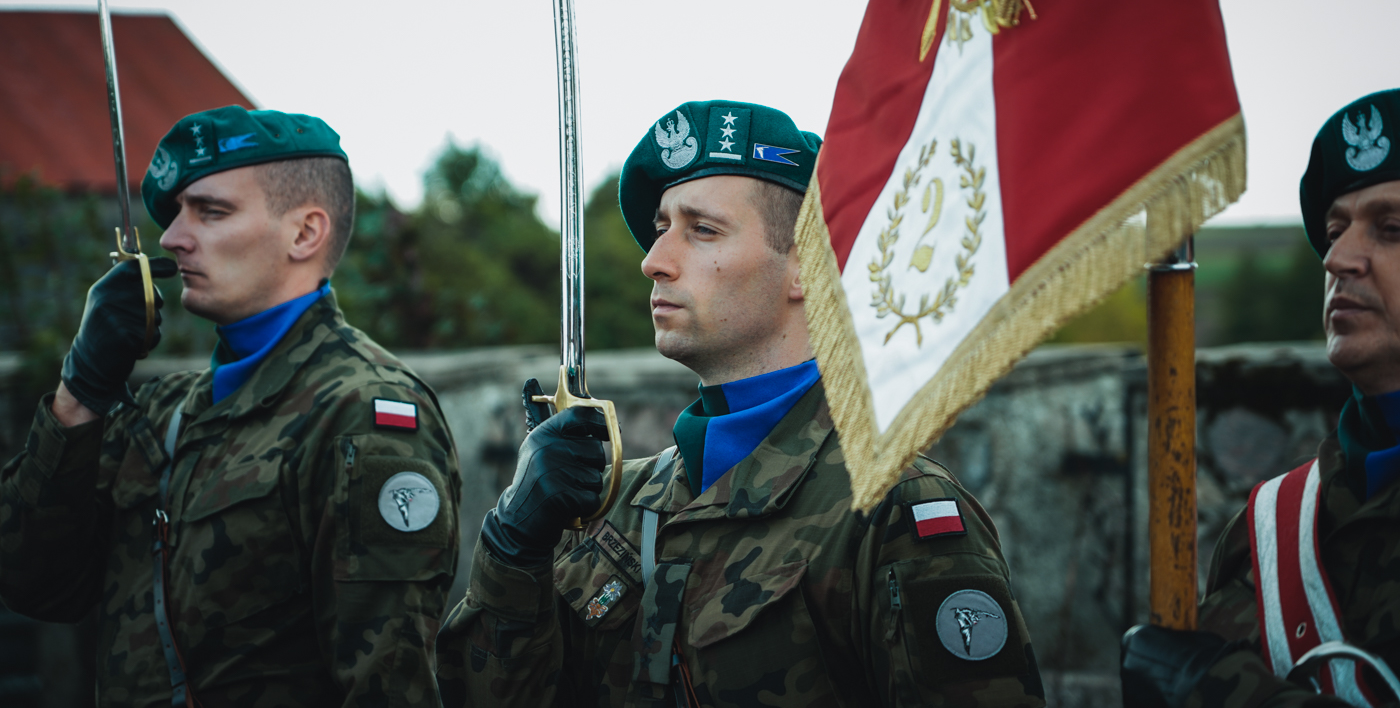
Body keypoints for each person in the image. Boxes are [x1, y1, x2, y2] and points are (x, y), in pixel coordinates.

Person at [436, 100, 1045, 707]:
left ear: (805, 267)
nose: (654, 262)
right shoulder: (613, 504)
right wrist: (514, 547)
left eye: (702, 231)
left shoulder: (893, 510)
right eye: (660, 229)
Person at [0, 106, 461, 707]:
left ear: (305, 233)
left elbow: (387, 687)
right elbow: (35, 583)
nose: (171, 238)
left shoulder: (364, 413)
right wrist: (79, 394)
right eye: (177, 212)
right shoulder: (163, 412)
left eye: (211, 212)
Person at [1122, 89, 1400, 707]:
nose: (1339, 257)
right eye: (1334, 230)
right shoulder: (1274, 525)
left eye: (1391, 229)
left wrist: (1216, 695)